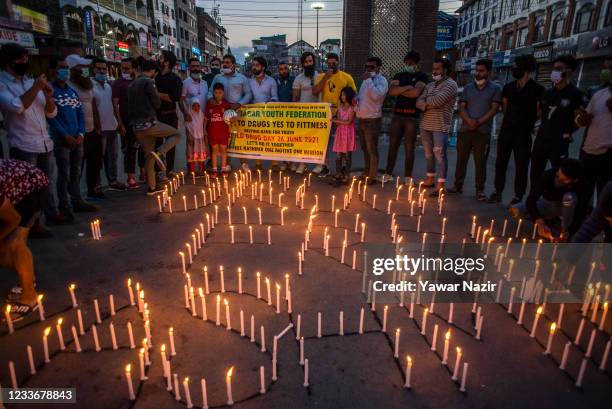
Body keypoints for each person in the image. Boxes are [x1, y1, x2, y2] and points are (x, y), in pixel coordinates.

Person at [0, 43, 69, 233]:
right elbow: (16, 107)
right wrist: (37, 87)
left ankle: (51, 214)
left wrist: (47, 96)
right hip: (23, 143)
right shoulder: (3, 84)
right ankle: (29, 224)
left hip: (43, 142)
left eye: (26, 59)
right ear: (8, 62)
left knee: (46, 182)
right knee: (28, 188)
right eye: (20, 59)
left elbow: (52, 113)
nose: (25, 63)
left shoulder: (30, 82)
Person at [488, 55, 543, 205]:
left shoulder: (537, 89)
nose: (514, 69)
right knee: (501, 162)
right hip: (507, 131)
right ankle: (498, 191)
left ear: (525, 68)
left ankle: (519, 195)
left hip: (524, 133)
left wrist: (528, 123)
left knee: (522, 165)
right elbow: (505, 108)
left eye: (516, 66)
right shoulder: (509, 88)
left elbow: (539, 112)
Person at [47, 56, 97, 218]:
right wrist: (65, 135)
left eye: (66, 68)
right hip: (62, 139)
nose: (64, 71)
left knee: (75, 172)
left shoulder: (71, 92)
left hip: (77, 137)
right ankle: (64, 205)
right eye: (61, 67)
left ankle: (77, 200)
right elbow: (51, 117)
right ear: (54, 70)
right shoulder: (50, 91)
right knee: (64, 174)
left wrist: (81, 133)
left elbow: (80, 114)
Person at [530, 55, 587, 190]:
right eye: (553, 68)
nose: (554, 71)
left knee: (560, 176)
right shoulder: (547, 92)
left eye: (558, 68)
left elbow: (582, 120)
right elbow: (539, 114)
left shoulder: (576, 94)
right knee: (535, 174)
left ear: (569, 71)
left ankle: (554, 203)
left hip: (559, 143)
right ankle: (533, 201)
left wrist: (569, 131)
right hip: (541, 140)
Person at [447, 58, 501, 201]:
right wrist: (469, 120)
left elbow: (494, 109)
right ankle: (457, 185)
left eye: (481, 71)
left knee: (480, 161)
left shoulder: (495, 89)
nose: (478, 73)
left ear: (488, 72)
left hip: (482, 132)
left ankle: (480, 190)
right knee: (461, 159)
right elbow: (462, 107)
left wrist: (478, 122)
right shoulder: (468, 88)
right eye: (476, 71)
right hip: (465, 129)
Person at [0, 159, 46, 317]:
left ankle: (29, 296)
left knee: (14, 243)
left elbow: (14, 219)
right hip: (12, 190)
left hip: (32, 186)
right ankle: (27, 277)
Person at [128, 59, 181, 195]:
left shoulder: (132, 84)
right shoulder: (149, 82)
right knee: (176, 134)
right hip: (149, 123)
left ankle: (151, 187)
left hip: (136, 126)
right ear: (153, 71)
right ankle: (160, 152)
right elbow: (157, 103)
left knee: (149, 157)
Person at [511, 159, 589, 242]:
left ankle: (563, 229)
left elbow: (581, 212)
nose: (558, 179)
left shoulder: (582, 185)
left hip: (567, 209)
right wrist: (539, 221)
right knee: (516, 210)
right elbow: (531, 199)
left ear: (574, 180)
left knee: (569, 197)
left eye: (563, 180)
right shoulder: (550, 174)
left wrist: (569, 231)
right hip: (547, 203)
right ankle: (552, 221)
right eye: (558, 176)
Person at [381, 51, 428, 184]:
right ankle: (388, 173)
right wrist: (408, 87)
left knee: (409, 147)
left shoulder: (422, 76)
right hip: (397, 115)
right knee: (393, 146)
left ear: (417, 64)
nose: (408, 65)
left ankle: (408, 177)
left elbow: (416, 93)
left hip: (412, 117)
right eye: (406, 63)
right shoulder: (399, 75)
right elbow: (391, 91)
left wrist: (401, 89)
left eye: (411, 63)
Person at [416, 58, 458, 196]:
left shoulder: (451, 85)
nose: (434, 71)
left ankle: (440, 186)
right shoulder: (430, 85)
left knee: (439, 156)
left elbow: (438, 101)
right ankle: (430, 179)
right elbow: (418, 102)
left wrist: (426, 103)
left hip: (440, 125)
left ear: (445, 69)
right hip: (426, 125)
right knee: (428, 155)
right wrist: (428, 103)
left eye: (438, 69)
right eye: (434, 68)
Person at [65, 54, 104, 200]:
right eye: (82, 67)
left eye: (86, 67)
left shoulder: (87, 84)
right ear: (73, 69)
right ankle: (74, 197)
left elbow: (93, 104)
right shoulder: (69, 85)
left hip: (92, 129)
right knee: (76, 167)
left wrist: (98, 126)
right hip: (77, 132)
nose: (85, 70)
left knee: (95, 162)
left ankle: (92, 190)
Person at [312, 53, 357, 178]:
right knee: (324, 143)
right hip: (326, 114)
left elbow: (353, 95)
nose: (331, 65)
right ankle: (325, 167)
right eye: (329, 63)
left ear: (338, 62)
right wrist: (325, 77)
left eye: (334, 63)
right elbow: (315, 92)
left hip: (342, 114)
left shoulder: (346, 77)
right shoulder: (321, 76)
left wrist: (351, 110)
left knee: (343, 142)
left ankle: (343, 168)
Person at [575, 62, 612, 197]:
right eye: (604, 68)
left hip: (609, 155)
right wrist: (582, 117)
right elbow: (581, 119)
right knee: (584, 190)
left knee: (605, 194)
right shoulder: (597, 93)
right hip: (590, 151)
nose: (606, 71)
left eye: (610, 69)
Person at [210, 54, 252, 170]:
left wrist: (239, 104)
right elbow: (210, 91)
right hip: (222, 112)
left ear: (233, 64)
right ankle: (227, 163)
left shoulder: (241, 78)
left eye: (228, 62)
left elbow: (248, 94)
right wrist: (212, 100)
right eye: (224, 62)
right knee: (226, 138)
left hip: (237, 111)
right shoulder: (218, 77)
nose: (225, 64)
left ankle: (244, 163)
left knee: (239, 137)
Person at [92, 58, 125, 191]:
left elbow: (113, 105)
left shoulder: (108, 86)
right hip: (99, 129)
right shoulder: (90, 86)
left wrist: (118, 123)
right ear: (93, 70)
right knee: (98, 158)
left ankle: (113, 180)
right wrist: (96, 125)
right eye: (99, 69)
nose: (102, 71)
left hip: (111, 126)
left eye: (104, 69)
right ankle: (97, 184)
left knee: (113, 157)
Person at [355, 56, 388, 183]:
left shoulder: (382, 81)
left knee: (371, 149)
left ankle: (372, 176)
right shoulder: (366, 80)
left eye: (371, 67)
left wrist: (368, 80)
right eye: (366, 67)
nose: (368, 69)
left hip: (372, 120)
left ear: (378, 67)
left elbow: (376, 96)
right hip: (362, 118)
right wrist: (356, 99)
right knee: (364, 148)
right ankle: (366, 171)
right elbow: (364, 96)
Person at [112, 57, 142, 189]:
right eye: (122, 68)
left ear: (134, 69)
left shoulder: (139, 82)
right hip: (126, 121)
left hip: (140, 121)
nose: (124, 70)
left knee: (140, 147)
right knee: (129, 149)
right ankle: (130, 176)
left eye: (127, 68)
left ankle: (143, 172)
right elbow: (115, 104)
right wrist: (120, 123)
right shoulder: (118, 83)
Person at [155, 50, 183, 178]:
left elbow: (174, 97)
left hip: (170, 114)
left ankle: (170, 169)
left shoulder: (175, 79)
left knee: (171, 142)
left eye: (161, 58)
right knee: (156, 143)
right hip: (156, 115)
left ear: (167, 62)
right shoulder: (155, 76)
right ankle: (158, 170)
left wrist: (156, 93)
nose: (158, 60)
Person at [292, 51, 321, 174]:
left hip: (318, 115)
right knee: (302, 140)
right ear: (303, 64)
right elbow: (295, 97)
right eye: (306, 62)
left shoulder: (319, 76)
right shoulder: (298, 78)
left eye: (311, 61)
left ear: (313, 62)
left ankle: (319, 164)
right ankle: (302, 164)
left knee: (318, 140)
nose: (309, 63)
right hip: (303, 115)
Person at [248, 56, 279, 171]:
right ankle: (258, 163)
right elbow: (248, 96)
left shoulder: (271, 81)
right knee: (257, 139)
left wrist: (270, 102)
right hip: (255, 115)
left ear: (263, 67)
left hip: (269, 114)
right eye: (253, 65)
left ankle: (275, 163)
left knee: (271, 139)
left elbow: (275, 96)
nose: (254, 67)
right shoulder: (249, 81)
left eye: (257, 65)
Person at [204, 83, 231, 177]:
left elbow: (231, 118)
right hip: (213, 132)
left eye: (220, 92)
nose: (218, 94)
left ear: (223, 93)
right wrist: (204, 130)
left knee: (224, 149)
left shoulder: (226, 104)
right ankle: (214, 170)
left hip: (223, 132)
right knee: (214, 150)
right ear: (213, 93)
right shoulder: (209, 104)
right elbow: (206, 118)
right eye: (216, 92)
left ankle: (224, 169)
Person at [331, 86, 357, 186]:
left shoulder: (352, 108)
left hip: (348, 134)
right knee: (338, 155)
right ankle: (338, 173)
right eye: (341, 95)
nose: (342, 97)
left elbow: (349, 122)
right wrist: (335, 120)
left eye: (344, 95)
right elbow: (339, 122)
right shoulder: (340, 106)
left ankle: (347, 175)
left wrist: (334, 120)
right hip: (340, 133)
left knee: (347, 155)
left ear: (349, 96)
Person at [185, 98, 208, 175]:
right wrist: (189, 136)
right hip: (192, 137)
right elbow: (187, 127)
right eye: (194, 106)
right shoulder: (189, 116)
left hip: (200, 138)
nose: (196, 108)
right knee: (192, 154)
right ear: (191, 106)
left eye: (198, 106)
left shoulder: (201, 114)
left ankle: (200, 170)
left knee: (200, 154)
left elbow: (206, 119)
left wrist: (204, 130)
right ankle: (192, 171)